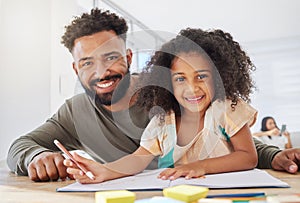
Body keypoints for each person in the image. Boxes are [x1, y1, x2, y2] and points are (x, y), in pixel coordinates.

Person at [6, 8, 300, 182]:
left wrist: (273, 155)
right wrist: (40, 156)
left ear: (129, 56)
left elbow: (225, 140)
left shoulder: (165, 96)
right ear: (75, 68)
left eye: (111, 57)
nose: (101, 72)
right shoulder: (75, 112)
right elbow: (21, 145)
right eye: (87, 62)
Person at [64, 28, 259, 183]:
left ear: (218, 77)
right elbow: (138, 159)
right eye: (180, 79)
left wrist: (200, 166)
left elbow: (248, 157)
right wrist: (104, 171)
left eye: (201, 76)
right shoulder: (163, 120)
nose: (192, 88)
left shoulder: (226, 109)